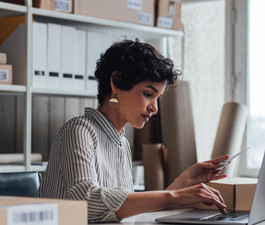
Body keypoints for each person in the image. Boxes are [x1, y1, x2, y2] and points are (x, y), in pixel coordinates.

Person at [36, 39, 229, 223]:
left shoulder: (121, 143)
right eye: (148, 94)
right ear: (116, 83)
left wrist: (184, 181)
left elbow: (124, 209)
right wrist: (174, 196)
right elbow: (87, 200)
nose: (155, 108)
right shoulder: (78, 131)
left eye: (157, 98)